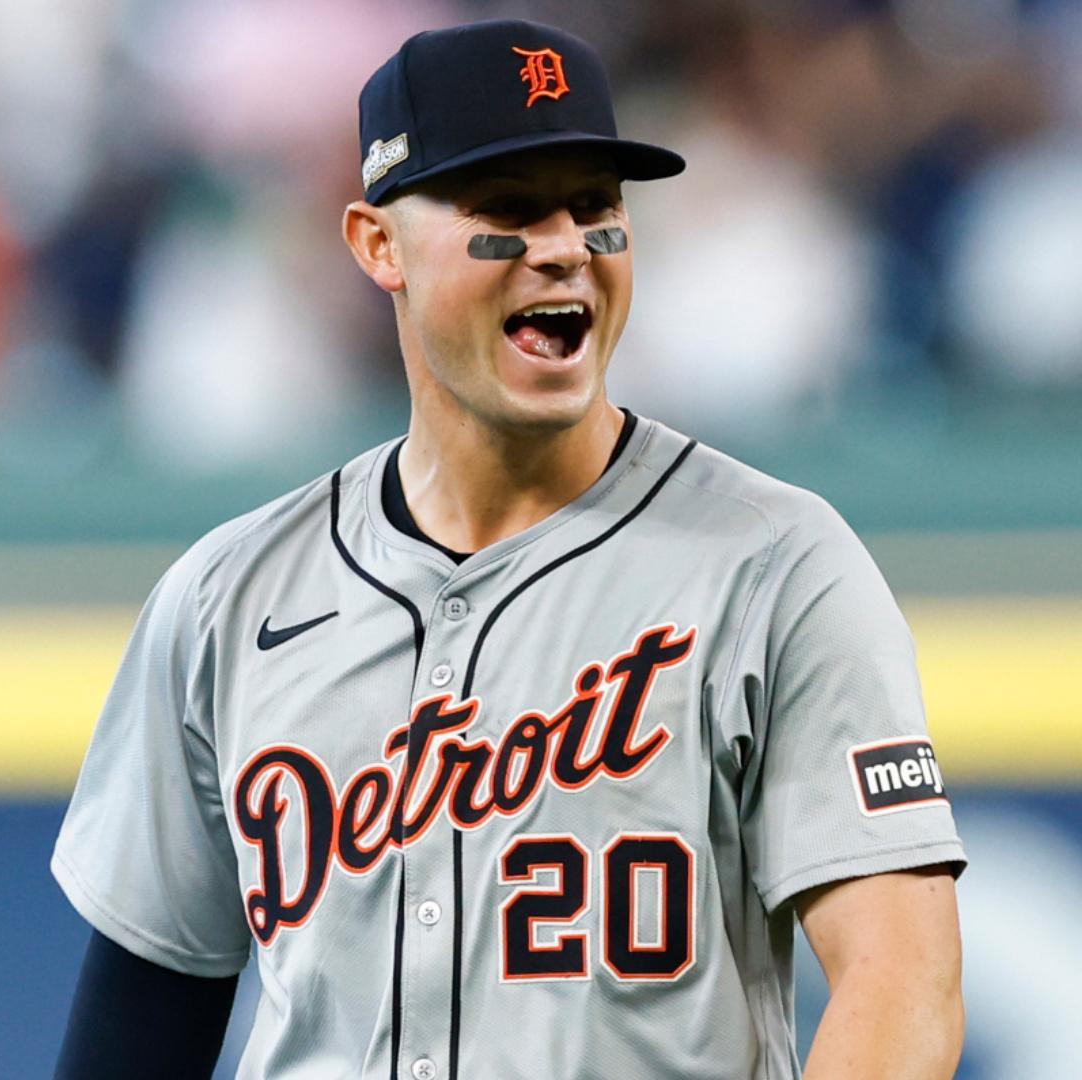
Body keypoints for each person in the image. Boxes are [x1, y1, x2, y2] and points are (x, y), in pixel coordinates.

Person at [51, 20, 965, 1080]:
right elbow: (134, 1033)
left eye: (595, 206)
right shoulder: (227, 597)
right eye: (510, 209)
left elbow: (903, 983)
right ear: (377, 244)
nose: (566, 244)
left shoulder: (775, 564)